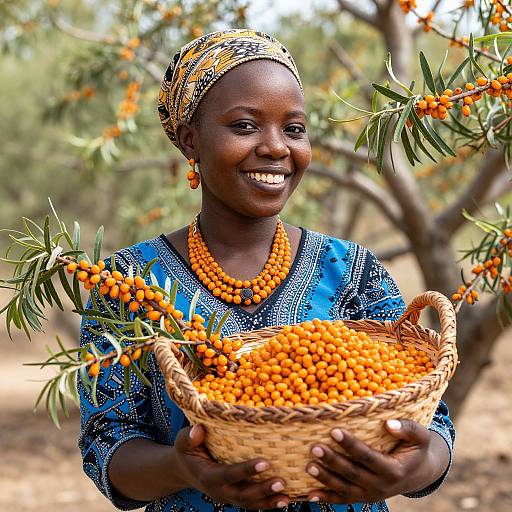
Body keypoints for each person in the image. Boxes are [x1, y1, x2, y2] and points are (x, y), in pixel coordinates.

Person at [78, 29, 455, 512]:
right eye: (245, 126)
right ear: (190, 139)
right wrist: (181, 468)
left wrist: (416, 467)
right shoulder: (130, 284)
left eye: (293, 129)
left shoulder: (354, 271)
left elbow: (431, 422)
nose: (276, 147)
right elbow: (106, 444)